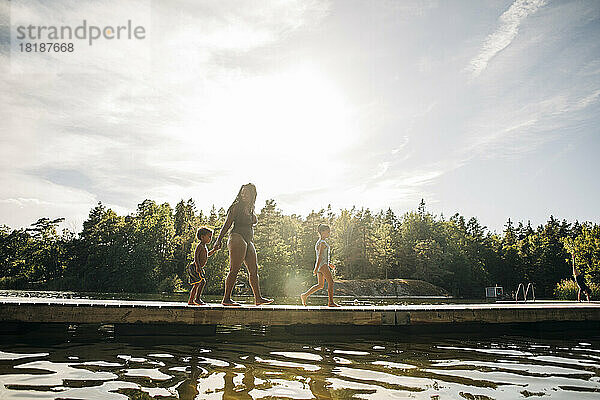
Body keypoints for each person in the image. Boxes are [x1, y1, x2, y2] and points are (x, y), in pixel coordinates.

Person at [212, 183, 273, 306]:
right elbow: (227, 224)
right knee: (234, 269)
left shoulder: (251, 209)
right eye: (242, 192)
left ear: (253, 195)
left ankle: (258, 298)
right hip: (236, 237)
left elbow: (253, 221)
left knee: (254, 270)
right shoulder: (236, 207)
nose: (243, 194)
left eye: (247, 193)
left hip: (248, 240)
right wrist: (218, 240)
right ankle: (226, 299)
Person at [300, 224, 340, 307]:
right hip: (322, 265)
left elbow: (322, 256)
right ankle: (331, 302)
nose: (329, 233)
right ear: (322, 232)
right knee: (331, 283)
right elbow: (320, 256)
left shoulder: (321, 242)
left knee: (320, 285)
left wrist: (329, 264)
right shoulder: (321, 243)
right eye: (328, 232)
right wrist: (316, 268)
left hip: (322, 265)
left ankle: (305, 295)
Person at [188, 227, 215, 305]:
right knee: (201, 282)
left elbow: (207, 255)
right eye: (209, 237)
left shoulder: (204, 247)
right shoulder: (200, 246)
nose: (210, 239)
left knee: (198, 284)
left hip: (198, 267)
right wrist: (197, 267)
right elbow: (196, 257)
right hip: (194, 267)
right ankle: (197, 299)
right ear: (202, 237)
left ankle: (191, 300)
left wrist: (214, 250)